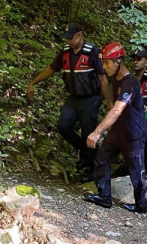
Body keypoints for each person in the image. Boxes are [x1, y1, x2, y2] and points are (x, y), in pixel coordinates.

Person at [26, 22, 113, 181]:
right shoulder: (65, 53)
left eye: (70, 38)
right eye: (66, 38)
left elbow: (103, 78)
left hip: (90, 99)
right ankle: (84, 152)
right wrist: (33, 82)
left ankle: (91, 169)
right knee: (63, 126)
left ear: (79, 36)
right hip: (73, 99)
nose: (67, 41)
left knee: (89, 133)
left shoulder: (91, 52)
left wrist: (109, 103)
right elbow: (50, 70)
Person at [83, 42, 147, 214]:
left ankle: (141, 206)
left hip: (133, 133)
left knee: (136, 170)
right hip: (118, 130)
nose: (104, 67)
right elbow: (113, 105)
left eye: (107, 62)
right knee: (102, 159)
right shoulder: (116, 79)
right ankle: (104, 197)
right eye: (103, 62)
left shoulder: (131, 82)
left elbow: (118, 109)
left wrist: (97, 132)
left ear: (118, 61)